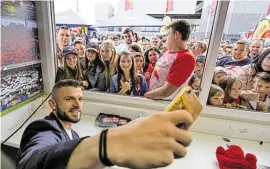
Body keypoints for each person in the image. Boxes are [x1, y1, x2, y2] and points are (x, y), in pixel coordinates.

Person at [16, 79, 193, 169]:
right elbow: (30, 162)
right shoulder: (43, 128)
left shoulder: (73, 134)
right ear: (53, 104)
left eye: (80, 99)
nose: (77, 105)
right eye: (69, 99)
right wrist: (107, 144)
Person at [144, 20, 195, 100]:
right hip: (153, 98)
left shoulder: (186, 58)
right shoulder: (168, 51)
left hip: (162, 104)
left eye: (168, 34)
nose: (166, 38)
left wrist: (145, 95)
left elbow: (166, 91)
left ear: (176, 34)